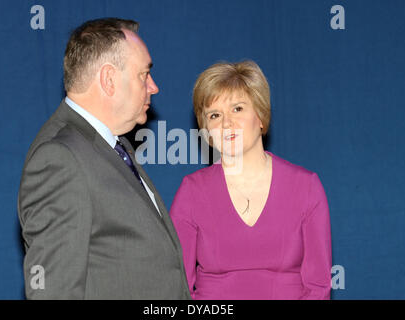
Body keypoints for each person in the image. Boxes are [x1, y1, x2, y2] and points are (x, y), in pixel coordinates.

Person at [17, 18, 191, 299]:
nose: (154, 87)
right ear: (109, 79)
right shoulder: (60, 158)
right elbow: (54, 292)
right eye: (143, 75)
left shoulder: (112, 145)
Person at [170, 61, 332, 300]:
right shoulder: (192, 191)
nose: (226, 123)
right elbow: (176, 287)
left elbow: (318, 287)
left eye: (237, 109)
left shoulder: (305, 187)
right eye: (215, 115)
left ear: (261, 116)